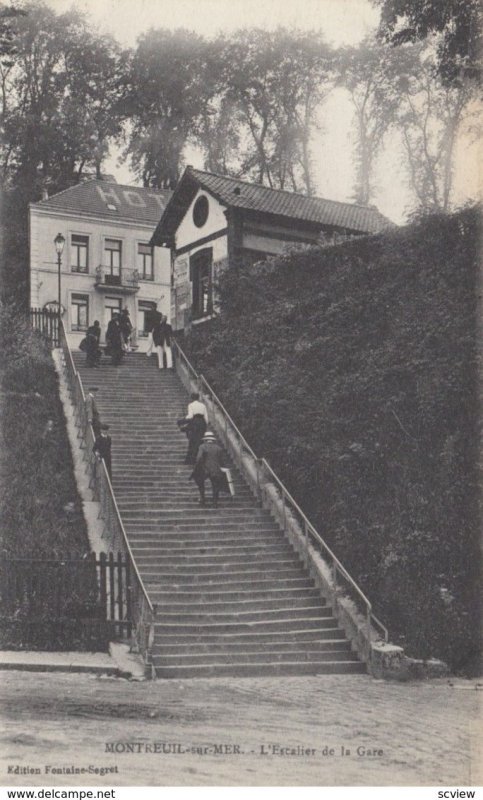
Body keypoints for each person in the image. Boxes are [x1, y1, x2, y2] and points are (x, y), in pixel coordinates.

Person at [190, 430, 226, 507]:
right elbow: (221, 460)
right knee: (215, 486)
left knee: (200, 483)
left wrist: (197, 466)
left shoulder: (202, 446)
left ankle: (203, 499)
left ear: (205, 439)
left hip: (205, 469)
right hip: (215, 469)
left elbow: (199, 458)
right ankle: (215, 502)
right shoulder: (218, 448)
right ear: (213, 440)